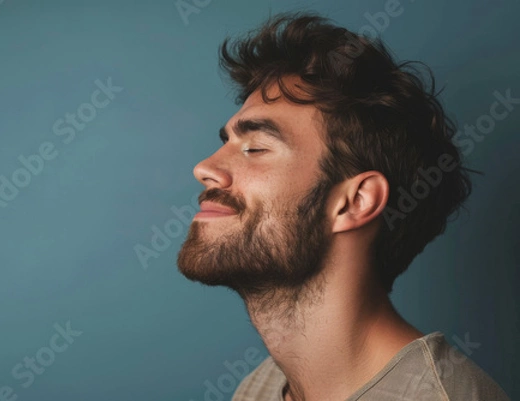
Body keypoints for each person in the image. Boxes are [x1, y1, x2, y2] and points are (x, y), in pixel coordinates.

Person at [176, 11, 510, 401]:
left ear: (356, 202)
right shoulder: (259, 388)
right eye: (226, 143)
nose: (205, 168)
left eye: (255, 148)